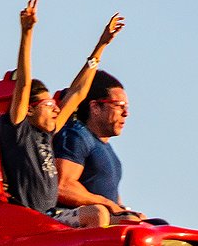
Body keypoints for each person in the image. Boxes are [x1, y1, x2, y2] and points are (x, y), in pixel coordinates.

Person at [0, 0, 125, 229]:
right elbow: (24, 85)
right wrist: (27, 33)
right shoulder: (19, 130)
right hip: (32, 220)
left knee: (129, 221)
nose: (57, 108)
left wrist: (101, 45)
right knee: (96, 214)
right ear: (28, 109)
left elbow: (78, 93)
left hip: (54, 215)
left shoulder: (48, 132)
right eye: (49, 105)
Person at [54, 71, 140, 223]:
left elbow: (115, 202)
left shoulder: (109, 151)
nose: (125, 113)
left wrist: (122, 209)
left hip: (103, 220)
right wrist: (106, 203)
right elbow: (62, 186)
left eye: (126, 106)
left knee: (152, 225)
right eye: (118, 106)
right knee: (100, 213)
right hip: (71, 222)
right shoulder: (77, 136)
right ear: (95, 107)